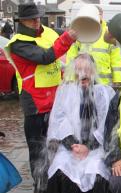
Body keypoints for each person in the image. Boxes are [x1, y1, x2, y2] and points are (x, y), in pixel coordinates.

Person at [5, 3, 77, 192]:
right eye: (32, 19)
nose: (37, 21)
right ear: (21, 21)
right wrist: (68, 37)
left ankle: (55, 186)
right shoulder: (19, 43)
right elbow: (45, 57)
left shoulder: (48, 32)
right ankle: (40, 188)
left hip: (55, 104)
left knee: (57, 150)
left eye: (38, 17)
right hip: (36, 107)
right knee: (39, 156)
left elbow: (63, 43)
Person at [46, 53, 115, 193]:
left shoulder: (105, 93)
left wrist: (88, 147)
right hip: (71, 147)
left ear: (93, 71)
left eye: (86, 70)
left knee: (96, 171)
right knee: (60, 167)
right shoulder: (65, 91)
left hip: (97, 148)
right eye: (78, 70)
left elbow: (108, 126)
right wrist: (73, 146)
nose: (82, 74)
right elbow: (59, 122)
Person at [66, 5, 121, 87]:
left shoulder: (108, 33)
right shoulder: (81, 30)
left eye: (99, 14)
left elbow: (116, 59)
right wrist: (70, 77)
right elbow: (72, 55)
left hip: (104, 82)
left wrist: (117, 81)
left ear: (102, 15)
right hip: (84, 80)